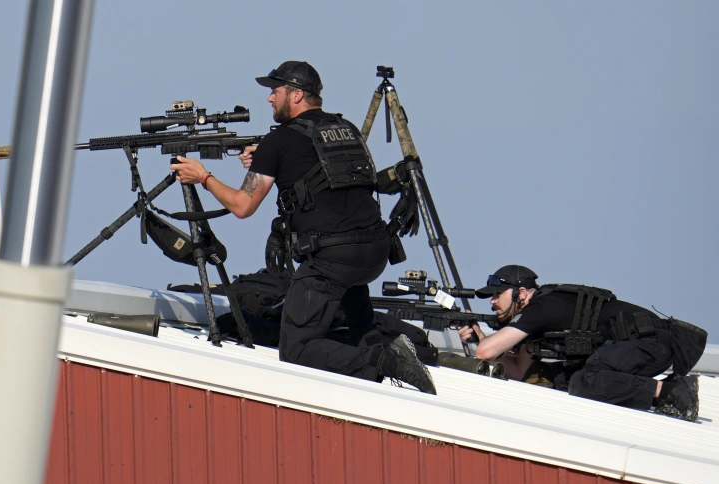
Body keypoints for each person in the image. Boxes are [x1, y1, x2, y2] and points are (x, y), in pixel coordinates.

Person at [171, 61, 435, 394]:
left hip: (332, 257)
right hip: (373, 250)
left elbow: (242, 205)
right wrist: (269, 160)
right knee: (357, 318)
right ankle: (382, 356)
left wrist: (203, 177)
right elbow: (322, 172)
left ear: (296, 95)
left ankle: (390, 362)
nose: (269, 99)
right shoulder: (346, 128)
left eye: (275, 91)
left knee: (296, 348)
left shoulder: (279, 141)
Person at [458, 265, 704, 421]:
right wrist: (486, 344)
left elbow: (484, 351)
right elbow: (521, 371)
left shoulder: (540, 308)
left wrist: (482, 340)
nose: (492, 302)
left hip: (650, 342)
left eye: (496, 295)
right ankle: (665, 390)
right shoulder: (539, 315)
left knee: (586, 381)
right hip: (636, 347)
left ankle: (672, 392)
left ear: (521, 294)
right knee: (559, 378)